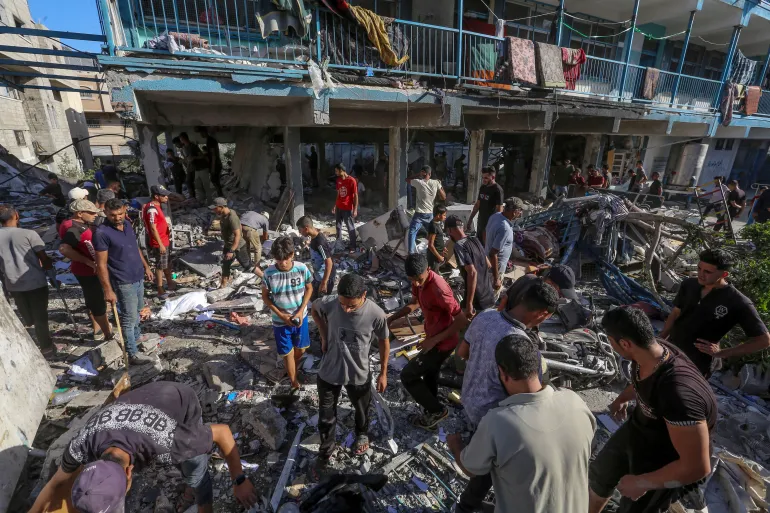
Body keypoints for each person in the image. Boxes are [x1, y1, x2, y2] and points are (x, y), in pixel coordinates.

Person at [29, 381, 258, 513]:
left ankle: (199, 500)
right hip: (142, 401)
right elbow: (57, 482)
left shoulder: (168, 443)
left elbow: (222, 433)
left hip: (178, 399)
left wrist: (238, 480)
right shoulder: (81, 444)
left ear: (130, 473)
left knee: (194, 469)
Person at [447, 333, 595, 513]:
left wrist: (455, 444)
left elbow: (470, 468)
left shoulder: (498, 422)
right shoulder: (575, 402)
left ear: (502, 372)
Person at [589, 307, 717, 513]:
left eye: (611, 342)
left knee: (635, 509)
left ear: (625, 344)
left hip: (668, 457)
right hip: (640, 429)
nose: (611, 347)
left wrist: (642, 482)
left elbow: (697, 467)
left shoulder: (678, 393)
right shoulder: (650, 351)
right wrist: (622, 398)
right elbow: (643, 379)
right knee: (600, 475)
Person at [453, 281, 560, 512]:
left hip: (469, 403)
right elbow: (529, 394)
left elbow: (462, 353)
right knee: (494, 468)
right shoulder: (521, 345)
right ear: (542, 313)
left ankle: (467, 504)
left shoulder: (485, 316)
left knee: (482, 460)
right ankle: (469, 506)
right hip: (495, 418)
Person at [311, 274, 389, 461]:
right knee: (326, 415)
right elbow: (315, 308)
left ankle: (362, 433)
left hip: (358, 372)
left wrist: (383, 373)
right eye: (342, 304)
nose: (345, 309)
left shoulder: (376, 314)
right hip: (330, 369)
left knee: (362, 409)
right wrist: (323, 335)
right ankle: (327, 448)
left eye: (351, 306)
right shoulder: (330, 302)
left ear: (363, 295)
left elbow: (384, 341)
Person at [660, 249, 769, 376]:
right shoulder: (689, 285)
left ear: (724, 274)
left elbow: (764, 340)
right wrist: (661, 339)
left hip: (697, 363)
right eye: (699, 268)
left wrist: (723, 353)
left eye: (707, 272)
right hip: (671, 350)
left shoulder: (738, 302)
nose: (701, 274)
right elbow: (675, 313)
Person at [389, 254, 468, 429]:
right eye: (412, 280)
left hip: (444, 343)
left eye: (419, 279)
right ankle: (431, 413)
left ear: (428, 270)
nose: (416, 283)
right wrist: (392, 318)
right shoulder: (417, 280)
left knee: (408, 375)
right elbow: (414, 304)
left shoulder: (440, 289)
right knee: (430, 374)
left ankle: (437, 411)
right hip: (432, 337)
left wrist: (433, 341)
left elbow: (462, 321)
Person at [94, 199, 155, 365]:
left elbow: (135, 248)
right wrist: (108, 290)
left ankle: (136, 338)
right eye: (113, 215)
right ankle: (133, 353)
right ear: (105, 212)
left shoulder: (127, 225)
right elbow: (101, 264)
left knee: (137, 311)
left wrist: (146, 267)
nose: (117, 217)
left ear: (125, 211)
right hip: (123, 281)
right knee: (128, 318)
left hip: (137, 276)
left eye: (120, 213)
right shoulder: (102, 233)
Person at [0, 204, 55, 357]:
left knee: (27, 315)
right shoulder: (29, 234)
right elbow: (43, 257)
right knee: (40, 316)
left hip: (13, 283)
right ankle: (46, 346)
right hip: (35, 282)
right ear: (16, 215)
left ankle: (31, 337)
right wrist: (49, 267)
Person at [262, 236, 313, 391]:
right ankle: (293, 380)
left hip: (300, 317)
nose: (283, 263)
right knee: (287, 353)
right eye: (278, 259)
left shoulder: (301, 268)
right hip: (280, 321)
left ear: (292, 255)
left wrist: (300, 311)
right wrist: (281, 315)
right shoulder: (269, 273)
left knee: (301, 349)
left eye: (286, 258)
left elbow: (309, 288)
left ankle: (293, 366)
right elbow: (265, 297)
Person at [60, 199, 113, 342]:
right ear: (79, 213)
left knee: (98, 299)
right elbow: (64, 249)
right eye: (91, 213)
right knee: (96, 302)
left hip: (93, 269)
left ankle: (102, 326)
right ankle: (105, 332)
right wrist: (88, 262)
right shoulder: (73, 228)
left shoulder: (81, 224)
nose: (95, 215)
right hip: (87, 272)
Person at [445, 216, 494, 319]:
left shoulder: (459, 245)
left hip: (477, 300)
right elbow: (488, 264)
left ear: (449, 230)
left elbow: (472, 273)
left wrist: (469, 303)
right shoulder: (475, 240)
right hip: (488, 295)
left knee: (464, 329)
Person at [497, 263, 581, 311]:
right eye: (559, 291)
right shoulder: (538, 293)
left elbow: (505, 297)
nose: (560, 295)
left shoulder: (528, 277)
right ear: (549, 282)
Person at [209, 197, 253, 288]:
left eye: (215, 208)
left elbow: (238, 235)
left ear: (221, 207)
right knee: (225, 265)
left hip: (238, 246)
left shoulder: (232, 217)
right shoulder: (223, 215)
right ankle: (223, 286)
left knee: (247, 266)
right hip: (228, 244)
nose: (214, 210)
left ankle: (265, 277)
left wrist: (231, 251)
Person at [142, 185, 176, 298]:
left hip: (164, 240)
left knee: (166, 263)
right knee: (160, 265)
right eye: (163, 195)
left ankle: (170, 283)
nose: (166, 197)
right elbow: (152, 227)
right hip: (159, 242)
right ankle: (160, 289)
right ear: (156, 196)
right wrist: (160, 244)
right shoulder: (152, 209)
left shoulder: (157, 206)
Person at [486, 197, 524, 292]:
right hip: (496, 268)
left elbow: (484, 233)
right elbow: (493, 253)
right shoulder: (505, 228)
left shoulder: (495, 216)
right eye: (520, 210)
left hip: (487, 263)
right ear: (514, 212)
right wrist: (496, 279)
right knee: (491, 297)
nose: (521, 213)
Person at [407, 165, 446, 254]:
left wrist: (417, 174)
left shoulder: (418, 182)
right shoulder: (436, 182)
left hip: (419, 214)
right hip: (430, 214)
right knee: (433, 233)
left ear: (422, 173)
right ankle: (438, 250)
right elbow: (443, 197)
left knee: (412, 232)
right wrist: (440, 185)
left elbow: (407, 179)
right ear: (430, 174)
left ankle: (411, 253)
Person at [296, 215, 336, 299]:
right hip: (318, 276)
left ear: (306, 228)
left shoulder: (320, 242)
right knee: (313, 298)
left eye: (300, 230)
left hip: (325, 279)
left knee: (322, 303)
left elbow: (329, 262)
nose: (300, 233)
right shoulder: (314, 238)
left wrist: (324, 283)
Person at [467, 167, 504, 243]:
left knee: (486, 247)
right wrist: (470, 219)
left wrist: (494, 226)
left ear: (493, 177)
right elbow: (477, 205)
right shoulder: (483, 187)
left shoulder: (497, 190)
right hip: (481, 223)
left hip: (490, 225)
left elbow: (499, 210)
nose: (483, 179)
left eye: (486, 178)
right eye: (483, 177)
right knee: (479, 245)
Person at [180, 131, 212, 205]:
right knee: (198, 186)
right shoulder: (185, 148)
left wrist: (194, 157)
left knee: (206, 186)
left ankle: (210, 203)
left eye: (181, 139)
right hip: (196, 169)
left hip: (202, 168)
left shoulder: (193, 146)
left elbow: (202, 156)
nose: (181, 141)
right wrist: (184, 160)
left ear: (184, 139)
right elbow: (188, 159)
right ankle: (202, 201)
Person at [333, 163, 358, 252]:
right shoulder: (338, 180)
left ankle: (353, 246)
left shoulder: (352, 180)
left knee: (350, 227)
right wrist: (335, 205)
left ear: (342, 171)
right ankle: (339, 243)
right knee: (338, 226)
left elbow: (355, 195)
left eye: (337, 171)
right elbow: (338, 193)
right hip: (339, 207)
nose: (335, 173)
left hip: (347, 208)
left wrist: (355, 209)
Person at [195, 126, 223, 197]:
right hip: (215, 164)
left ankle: (221, 197)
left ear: (204, 132)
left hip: (216, 164)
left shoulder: (211, 140)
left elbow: (213, 156)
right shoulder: (209, 140)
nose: (200, 135)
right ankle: (220, 196)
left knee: (215, 181)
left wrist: (213, 168)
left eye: (201, 133)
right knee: (215, 181)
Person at [240, 211, 269, 277]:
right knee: (258, 248)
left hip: (240, 227)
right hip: (250, 229)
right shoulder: (265, 220)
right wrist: (263, 241)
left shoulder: (253, 213)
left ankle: (248, 264)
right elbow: (265, 235)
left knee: (246, 246)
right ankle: (257, 267)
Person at [426, 205, 447, 272]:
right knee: (433, 274)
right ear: (438, 215)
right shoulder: (434, 226)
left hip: (437, 254)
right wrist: (439, 257)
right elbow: (430, 245)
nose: (445, 217)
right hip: (434, 257)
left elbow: (437, 239)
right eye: (444, 215)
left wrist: (443, 247)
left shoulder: (437, 224)